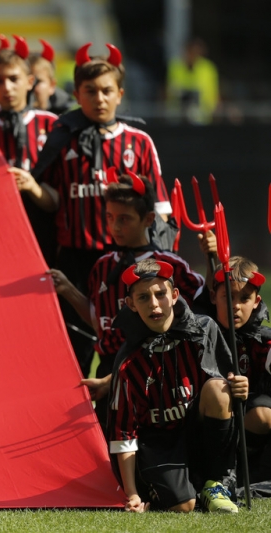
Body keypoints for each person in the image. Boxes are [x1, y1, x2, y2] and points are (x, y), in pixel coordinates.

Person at [15, 42, 172, 375]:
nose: (99, 98)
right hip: (74, 259)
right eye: (90, 91)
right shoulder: (61, 139)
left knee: (130, 343)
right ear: (77, 95)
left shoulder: (139, 142)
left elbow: (160, 209)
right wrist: (32, 187)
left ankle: (125, 403)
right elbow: (53, 201)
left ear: (120, 94)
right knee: (74, 349)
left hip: (124, 260)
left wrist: (155, 255)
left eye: (106, 91)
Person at [51, 170, 205, 428]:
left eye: (124, 219)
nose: (115, 227)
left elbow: (204, 309)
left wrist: (212, 258)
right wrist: (68, 289)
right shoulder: (102, 266)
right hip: (107, 368)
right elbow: (100, 323)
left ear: (148, 219)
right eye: (110, 218)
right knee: (109, 442)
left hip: (155, 369)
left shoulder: (169, 265)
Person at [108, 258, 247, 513]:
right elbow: (123, 433)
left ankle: (217, 484)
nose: (154, 304)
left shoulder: (204, 330)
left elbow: (228, 386)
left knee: (219, 389)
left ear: (174, 296)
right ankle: (182, 490)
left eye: (160, 294)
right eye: (143, 298)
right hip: (159, 444)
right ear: (131, 304)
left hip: (198, 432)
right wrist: (132, 493)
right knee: (184, 506)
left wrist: (240, 387)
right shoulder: (128, 362)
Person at [0, 38, 57, 265]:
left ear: (29, 81)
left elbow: (59, 199)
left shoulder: (52, 125)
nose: (7, 87)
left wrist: (32, 187)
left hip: (42, 229)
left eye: (14, 79)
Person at [209, 258, 271, 483]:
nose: (235, 305)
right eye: (228, 296)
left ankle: (253, 471)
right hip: (208, 425)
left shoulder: (265, 341)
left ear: (256, 302)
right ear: (213, 297)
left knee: (263, 414)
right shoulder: (200, 336)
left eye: (244, 298)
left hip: (250, 422)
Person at [27, 39, 73, 116]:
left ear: (52, 85)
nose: (31, 86)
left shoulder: (67, 118)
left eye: (37, 81)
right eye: (27, 81)